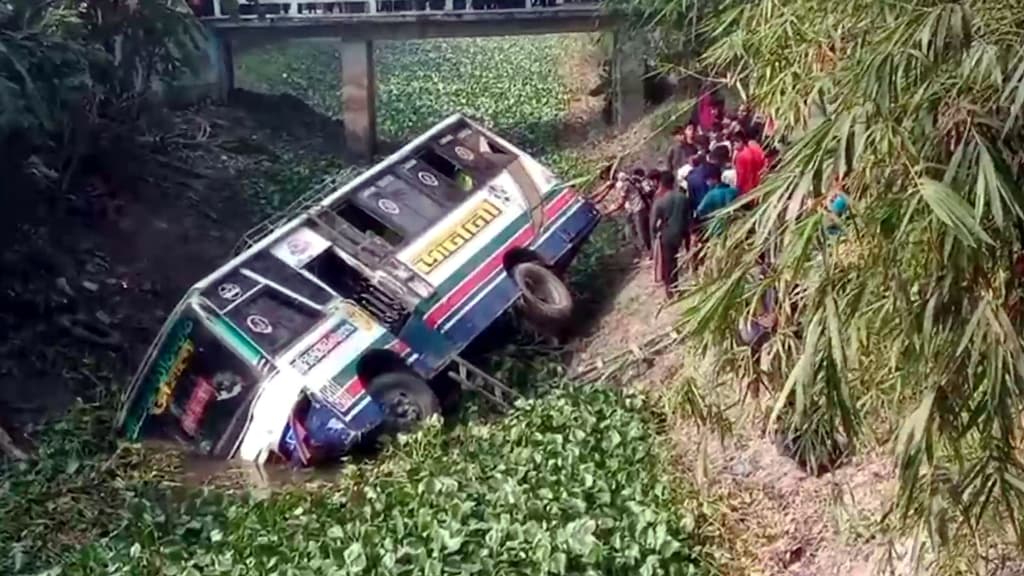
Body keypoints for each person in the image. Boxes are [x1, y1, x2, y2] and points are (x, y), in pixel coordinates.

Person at [650, 172, 691, 298]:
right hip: (682, 233)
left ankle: (671, 290)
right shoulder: (683, 197)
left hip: (667, 235)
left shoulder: (660, 201)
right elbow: (688, 217)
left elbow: (653, 223)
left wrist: (654, 236)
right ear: (673, 183)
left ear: (661, 184)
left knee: (668, 263)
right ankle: (677, 285)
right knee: (677, 260)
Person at [696, 164, 739, 237]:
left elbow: (700, 211)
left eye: (708, 180)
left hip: (716, 230)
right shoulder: (734, 191)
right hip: (734, 229)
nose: (707, 183)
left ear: (714, 179)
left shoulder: (710, 195)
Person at [734, 128, 767, 195]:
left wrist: (738, 187)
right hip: (758, 181)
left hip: (747, 187)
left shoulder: (741, 155)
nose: (733, 147)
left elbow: (742, 175)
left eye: (734, 144)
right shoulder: (754, 148)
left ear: (740, 141)